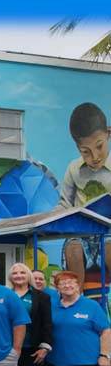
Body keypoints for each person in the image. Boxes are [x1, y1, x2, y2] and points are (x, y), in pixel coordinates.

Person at [59, 103, 111, 283]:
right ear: (77, 148)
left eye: (99, 147)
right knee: (72, 248)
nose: (94, 157)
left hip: (109, 232)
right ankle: (76, 300)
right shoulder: (73, 169)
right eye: (85, 152)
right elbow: (64, 204)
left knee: (110, 246)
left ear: (109, 134)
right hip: (81, 235)